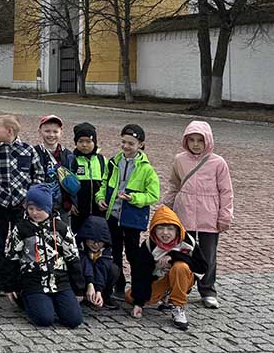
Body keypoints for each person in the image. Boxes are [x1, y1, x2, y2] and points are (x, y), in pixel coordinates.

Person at [161, 120, 233, 309]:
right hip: (184, 213)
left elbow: (226, 191)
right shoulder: (180, 160)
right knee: (184, 253)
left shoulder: (218, 163)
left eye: (200, 140)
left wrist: (224, 215)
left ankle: (208, 289)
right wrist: (166, 207)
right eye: (191, 140)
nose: (195, 144)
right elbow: (174, 184)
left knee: (208, 255)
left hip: (209, 214)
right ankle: (182, 286)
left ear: (207, 141)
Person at [0, 184, 84, 329]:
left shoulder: (61, 228)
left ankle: (56, 303)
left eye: (39, 209)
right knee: (44, 319)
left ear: (48, 208)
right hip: (34, 281)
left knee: (73, 320)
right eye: (31, 209)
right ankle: (27, 300)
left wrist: (79, 288)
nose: (35, 213)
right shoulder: (21, 229)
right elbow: (11, 258)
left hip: (59, 280)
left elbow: (73, 258)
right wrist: (9, 286)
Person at [0, 114, 44, 294]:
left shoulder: (28, 150)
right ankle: (0, 280)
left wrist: (29, 198)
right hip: (0, 204)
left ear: (9, 131)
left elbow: (38, 175)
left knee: (20, 242)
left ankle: (18, 277)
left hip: (21, 206)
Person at [96, 124, 160, 299]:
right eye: (123, 142)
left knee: (133, 253)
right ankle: (118, 284)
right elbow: (104, 183)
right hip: (113, 215)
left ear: (140, 145)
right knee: (114, 252)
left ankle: (137, 286)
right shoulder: (113, 162)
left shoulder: (146, 169)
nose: (126, 146)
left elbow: (153, 195)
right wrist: (100, 198)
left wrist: (134, 199)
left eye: (131, 143)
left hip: (132, 217)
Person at [126, 205, 208, 331]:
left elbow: (202, 267)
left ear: (177, 229)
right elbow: (140, 273)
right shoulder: (149, 245)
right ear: (154, 229)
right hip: (160, 280)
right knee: (130, 296)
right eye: (160, 228)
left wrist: (175, 257)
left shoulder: (188, 241)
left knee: (180, 267)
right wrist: (138, 303)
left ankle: (178, 306)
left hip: (184, 277)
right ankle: (165, 297)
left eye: (170, 229)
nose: (165, 233)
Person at [68, 122, 106, 233]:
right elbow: (65, 184)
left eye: (88, 141)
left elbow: (107, 183)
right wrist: (70, 203)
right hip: (78, 210)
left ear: (94, 142)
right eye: (80, 141)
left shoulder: (102, 160)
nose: (84, 145)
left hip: (98, 210)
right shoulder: (72, 160)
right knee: (77, 236)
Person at [34, 115, 74, 218]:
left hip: (62, 204)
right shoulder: (33, 152)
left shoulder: (68, 155)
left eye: (55, 131)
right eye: (47, 131)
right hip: (40, 204)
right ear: (40, 132)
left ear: (61, 132)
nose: (51, 135)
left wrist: (73, 202)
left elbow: (73, 179)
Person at [74, 215, 119, 309]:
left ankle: (103, 295)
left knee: (114, 269)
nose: (96, 244)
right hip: (83, 280)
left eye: (100, 241)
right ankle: (80, 293)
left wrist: (98, 290)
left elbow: (102, 267)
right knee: (78, 265)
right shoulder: (78, 246)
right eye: (92, 240)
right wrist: (90, 284)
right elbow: (85, 264)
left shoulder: (106, 249)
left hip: (99, 280)